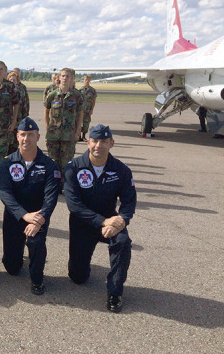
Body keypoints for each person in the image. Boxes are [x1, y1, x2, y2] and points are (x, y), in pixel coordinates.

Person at [63, 124, 136, 312]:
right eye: (95, 141)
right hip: (82, 224)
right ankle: (82, 266)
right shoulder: (73, 168)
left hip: (111, 224)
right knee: (78, 277)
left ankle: (115, 292)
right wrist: (103, 221)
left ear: (111, 143)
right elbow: (74, 205)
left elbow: (129, 201)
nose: (99, 145)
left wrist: (121, 220)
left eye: (104, 141)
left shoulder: (121, 170)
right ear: (88, 143)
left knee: (123, 242)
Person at [0, 117, 61, 295]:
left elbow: (50, 198)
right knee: (11, 268)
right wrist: (24, 215)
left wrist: (39, 220)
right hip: (14, 216)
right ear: (17, 136)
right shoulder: (7, 163)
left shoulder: (49, 165)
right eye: (23, 134)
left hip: (38, 217)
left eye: (30, 135)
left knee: (36, 242)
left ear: (38, 137)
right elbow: (5, 194)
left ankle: (37, 278)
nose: (26, 139)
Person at [44, 67, 83, 189]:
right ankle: (53, 185)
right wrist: (48, 128)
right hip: (53, 135)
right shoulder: (52, 95)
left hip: (69, 135)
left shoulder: (77, 95)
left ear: (72, 78)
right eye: (63, 76)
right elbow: (46, 112)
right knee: (53, 161)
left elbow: (80, 115)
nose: (65, 78)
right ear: (59, 77)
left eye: (67, 76)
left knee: (67, 162)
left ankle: (65, 186)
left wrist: (77, 132)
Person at [7, 70, 30, 154]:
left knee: (16, 141)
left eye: (14, 80)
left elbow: (25, 102)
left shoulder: (21, 89)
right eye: (11, 79)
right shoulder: (6, 90)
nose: (12, 81)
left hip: (19, 118)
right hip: (7, 119)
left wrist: (25, 115)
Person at [79, 75, 97, 141]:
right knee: (79, 123)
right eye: (85, 80)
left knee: (86, 123)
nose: (87, 81)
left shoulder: (92, 90)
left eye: (88, 80)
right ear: (83, 80)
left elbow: (93, 101)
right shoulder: (80, 90)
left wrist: (92, 110)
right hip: (81, 110)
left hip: (88, 110)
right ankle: (79, 136)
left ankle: (83, 136)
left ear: (90, 81)